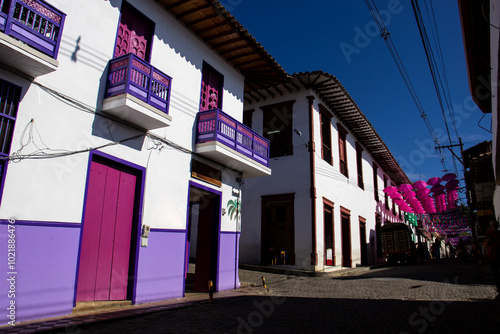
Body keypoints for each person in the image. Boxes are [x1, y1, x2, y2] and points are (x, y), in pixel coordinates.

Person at [485, 220, 500, 297]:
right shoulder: (489, 235)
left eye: (495, 225)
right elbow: (486, 245)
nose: (494, 227)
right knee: (495, 272)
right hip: (493, 256)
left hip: (498, 255)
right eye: (492, 225)